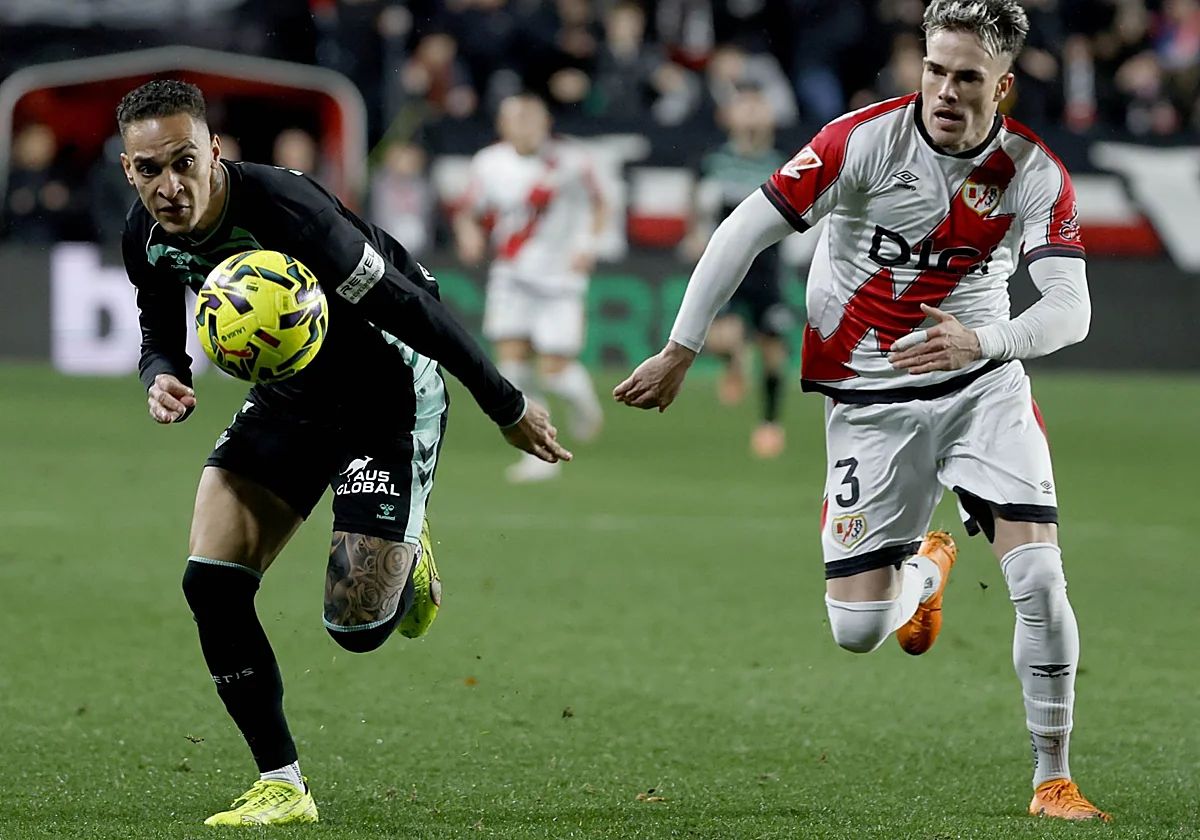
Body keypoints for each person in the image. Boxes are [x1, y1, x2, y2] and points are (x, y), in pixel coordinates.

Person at [615, 0, 1108, 822]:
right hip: (868, 401)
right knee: (858, 630)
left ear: (1002, 86)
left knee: (1039, 576)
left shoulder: (1032, 171)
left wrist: (983, 342)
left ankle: (1051, 779)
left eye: (967, 77)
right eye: (935, 69)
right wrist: (681, 347)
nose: (945, 90)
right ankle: (928, 569)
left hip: (980, 389)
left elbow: (1071, 308)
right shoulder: (862, 141)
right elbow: (744, 229)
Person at [117, 80, 570, 826]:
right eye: (148, 169)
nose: (169, 187)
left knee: (356, 629)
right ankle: (282, 784)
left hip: (384, 394)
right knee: (211, 585)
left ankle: (410, 546)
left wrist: (507, 405)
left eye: (183, 162)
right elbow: (157, 318)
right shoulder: (145, 230)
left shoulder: (289, 211)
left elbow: (411, 307)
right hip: (289, 397)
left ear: (214, 152)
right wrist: (163, 372)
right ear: (128, 169)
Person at [453, 93, 607, 483]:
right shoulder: (489, 163)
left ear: (546, 122)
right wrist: (469, 234)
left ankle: (584, 402)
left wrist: (587, 245)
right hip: (511, 275)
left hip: (560, 276)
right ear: (502, 125)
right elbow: (467, 210)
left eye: (531, 117)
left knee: (555, 371)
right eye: (516, 118)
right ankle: (539, 450)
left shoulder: (571, 161)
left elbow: (600, 204)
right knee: (512, 363)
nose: (524, 126)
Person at [683, 84, 793, 458]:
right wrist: (694, 233)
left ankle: (769, 424)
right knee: (720, 340)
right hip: (727, 263)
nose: (751, 114)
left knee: (773, 349)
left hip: (768, 266)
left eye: (758, 106)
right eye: (743, 106)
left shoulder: (783, 162)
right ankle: (733, 361)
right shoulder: (714, 161)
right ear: (729, 115)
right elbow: (695, 201)